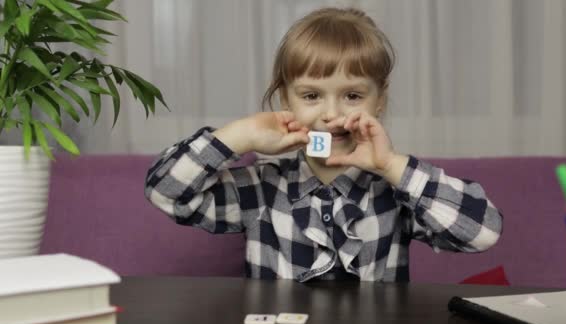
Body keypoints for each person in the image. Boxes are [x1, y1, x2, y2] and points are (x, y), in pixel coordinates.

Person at [145, 7, 503, 282]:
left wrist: (391, 165)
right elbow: (166, 192)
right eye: (312, 95)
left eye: (352, 95)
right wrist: (239, 135)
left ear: (379, 100)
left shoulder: (396, 191)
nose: (331, 114)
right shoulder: (261, 188)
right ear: (287, 99)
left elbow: (482, 232)